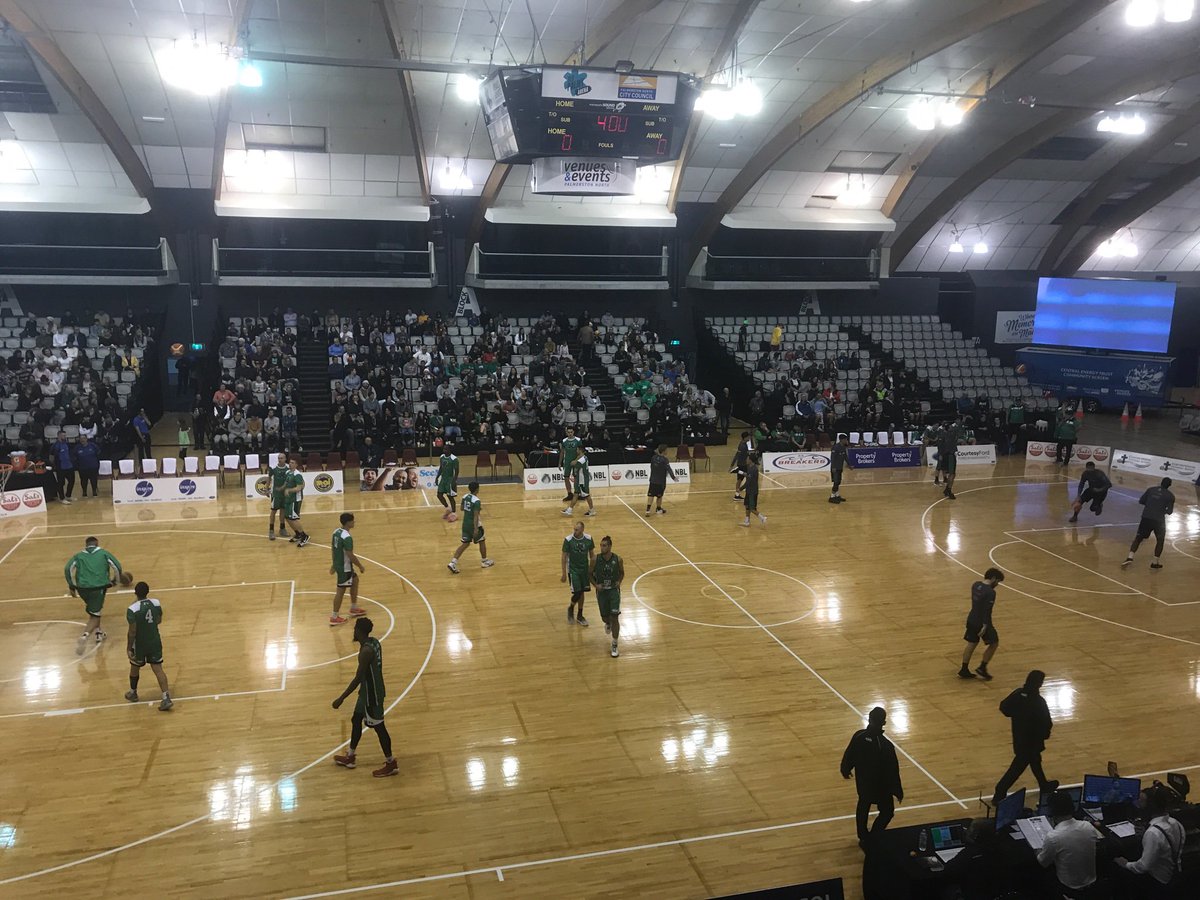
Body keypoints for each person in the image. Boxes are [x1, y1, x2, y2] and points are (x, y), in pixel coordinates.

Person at [331, 617, 398, 778]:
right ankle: (350, 757)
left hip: (373, 694)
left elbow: (357, 678)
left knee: (379, 728)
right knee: (356, 720)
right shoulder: (374, 642)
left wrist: (341, 698)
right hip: (367, 690)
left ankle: (391, 763)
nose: (353, 631)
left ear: (359, 631)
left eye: (355, 629)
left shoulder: (366, 652)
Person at [992, 669, 1059, 804]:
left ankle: (1043, 784)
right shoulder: (1038, 701)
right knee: (1018, 768)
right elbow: (1047, 722)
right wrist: (1045, 734)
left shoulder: (1017, 694)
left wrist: (1016, 716)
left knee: (1035, 761)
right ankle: (999, 791)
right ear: (1039, 684)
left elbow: (1004, 707)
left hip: (1019, 738)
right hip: (1033, 741)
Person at [840, 707, 903, 848]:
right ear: (884, 722)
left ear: (869, 718)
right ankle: (874, 836)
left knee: (863, 806)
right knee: (887, 812)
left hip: (863, 783)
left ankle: (863, 836)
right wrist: (897, 790)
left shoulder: (859, 736)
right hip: (881, 787)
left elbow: (849, 754)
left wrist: (845, 768)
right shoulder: (885, 745)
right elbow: (893, 770)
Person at [1115, 785, 1185, 897]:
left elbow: (1143, 867)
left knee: (1120, 873)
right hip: (1174, 875)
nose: (1139, 806)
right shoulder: (1176, 823)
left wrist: (1126, 864)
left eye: (1142, 802)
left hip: (1158, 882)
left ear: (1150, 807)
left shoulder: (1152, 833)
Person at [65, 536, 124, 655]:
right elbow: (117, 566)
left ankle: (98, 633)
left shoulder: (78, 556)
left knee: (94, 610)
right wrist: (115, 581)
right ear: (97, 544)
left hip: (82, 589)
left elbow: (67, 569)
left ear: (86, 545)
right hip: (98, 588)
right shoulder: (103, 553)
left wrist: (72, 586)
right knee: (95, 615)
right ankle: (85, 636)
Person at [1036, 790, 1100, 897]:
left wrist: (1036, 849)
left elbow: (1043, 862)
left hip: (1068, 889)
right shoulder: (1088, 826)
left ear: (1051, 812)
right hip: (1092, 884)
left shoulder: (1053, 837)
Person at [123, 581, 173, 711]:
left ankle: (133, 692)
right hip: (154, 641)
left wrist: (129, 647)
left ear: (135, 593)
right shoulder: (156, 603)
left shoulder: (132, 609)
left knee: (135, 666)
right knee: (158, 669)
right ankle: (166, 697)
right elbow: (159, 620)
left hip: (140, 644)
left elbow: (132, 631)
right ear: (147, 592)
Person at [958, 568, 1005, 680]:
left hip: (971, 618)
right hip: (982, 622)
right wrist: (985, 625)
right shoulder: (990, 592)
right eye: (997, 581)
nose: (997, 584)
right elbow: (987, 610)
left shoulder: (975, 585)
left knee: (972, 643)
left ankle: (964, 669)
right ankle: (982, 667)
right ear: (993, 578)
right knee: (994, 643)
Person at [1122, 477, 1175, 570]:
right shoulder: (1170, 496)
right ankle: (1155, 562)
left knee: (1138, 538)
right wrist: (1161, 509)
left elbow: (1141, 501)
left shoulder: (1151, 490)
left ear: (1160, 482)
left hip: (1146, 517)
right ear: (1169, 485)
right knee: (1160, 540)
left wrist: (1151, 505)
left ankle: (1130, 557)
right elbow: (1170, 511)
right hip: (1159, 520)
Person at [448, 481, 494, 573]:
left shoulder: (465, 497)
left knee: (465, 543)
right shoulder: (476, 501)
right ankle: (484, 561)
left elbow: (461, 508)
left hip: (465, 524)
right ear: (477, 489)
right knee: (482, 541)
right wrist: (476, 528)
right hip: (473, 525)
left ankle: (453, 562)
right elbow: (476, 516)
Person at [330, 512, 366, 626]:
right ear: (348, 523)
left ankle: (354, 608)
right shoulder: (347, 537)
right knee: (340, 591)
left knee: (355, 581)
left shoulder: (336, 532)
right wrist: (360, 566)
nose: (354, 522)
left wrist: (334, 564)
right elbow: (350, 555)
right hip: (345, 568)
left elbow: (333, 549)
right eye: (353, 521)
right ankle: (334, 616)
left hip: (341, 565)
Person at [591, 535, 625, 658]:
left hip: (613, 592)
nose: (601, 547)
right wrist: (595, 585)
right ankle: (608, 623)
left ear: (610, 546)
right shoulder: (595, 559)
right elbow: (589, 574)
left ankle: (615, 643)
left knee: (615, 617)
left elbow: (622, 573)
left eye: (604, 545)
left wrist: (619, 582)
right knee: (606, 618)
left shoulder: (618, 559)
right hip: (602, 592)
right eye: (601, 545)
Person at [561, 521, 595, 626]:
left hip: (584, 570)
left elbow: (592, 555)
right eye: (574, 529)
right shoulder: (568, 540)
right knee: (578, 592)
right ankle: (571, 608)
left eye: (577, 530)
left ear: (582, 530)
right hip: (573, 570)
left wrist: (592, 569)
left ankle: (580, 615)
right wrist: (563, 573)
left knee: (582, 592)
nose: (574, 531)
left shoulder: (589, 539)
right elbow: (564, 557)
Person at [283, 458, 310, 547]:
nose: (290, 464)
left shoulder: (297, 475)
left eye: (292, 463)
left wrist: (289, 490)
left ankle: (304, 536)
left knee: (294, 518)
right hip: (288, 499)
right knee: (287, 517)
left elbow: (299, 487)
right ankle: (297, 533)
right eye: (290, 462)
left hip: (295, 500)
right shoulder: (287, 473)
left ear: (296, 465)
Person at [645, 443, 678, 515]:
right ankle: (658, 509)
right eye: (666, 450)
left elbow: (651, 467)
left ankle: (648, 510)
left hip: (653, 480)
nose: (667, 451)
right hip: (661, 481)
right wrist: (673, 477)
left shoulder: (653, 458)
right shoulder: (665, 460)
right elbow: (669, 469)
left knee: (651, 495)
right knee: (659, 496)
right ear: (664, 451)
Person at [562, 451, 596, 517]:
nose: (576, 451)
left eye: (577, 449)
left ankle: (592, 510)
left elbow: (573, 463)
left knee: (586, 495)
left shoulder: (583, 459)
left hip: (582, 481)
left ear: (580, 450)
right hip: (579, 480)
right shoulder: (581, 458)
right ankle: (569, 510)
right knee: (576, 494)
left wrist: (573, 461)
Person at [267, 455, 291, 541]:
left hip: (284, 493)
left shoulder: (288, 467)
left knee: (283, 510)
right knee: (273, 511)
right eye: (279, 458)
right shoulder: (273, 468)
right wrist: (267, 489)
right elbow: (269, 478)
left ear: (285, 459)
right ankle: (271, 530)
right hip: (275, 493)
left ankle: (282, 528)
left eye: (282, 458)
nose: (280, 459)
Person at [740, 451, 766, 527]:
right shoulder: (750, 468)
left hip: (752, 491)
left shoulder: (753, 469)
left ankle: (762, 518)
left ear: (750, 460)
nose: (746, 460)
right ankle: (747, 521)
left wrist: (740, 489)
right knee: (747, 506)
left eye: (747, 459)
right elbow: (748, 476)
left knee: (752, 508)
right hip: (749, 491)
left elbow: (748, 481)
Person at [50, 429, 76, 504]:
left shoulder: (67, 444)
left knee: (72, 481)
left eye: (65, 435)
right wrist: (54, 465)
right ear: (58, 436)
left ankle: (68, 495)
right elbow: (51, 457)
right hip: (61, 467)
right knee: (61, 483)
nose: (65, 436)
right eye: (63, 435)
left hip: (69, 466)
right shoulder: (55, 446)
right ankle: (62, 498)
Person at [559, 426, 582, 503]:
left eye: (571, 432)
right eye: (568, 432)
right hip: (567, 462)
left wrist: (576, 460)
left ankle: (577, 493)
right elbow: (562, 452)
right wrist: (559, 463)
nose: (570, 434)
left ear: (573, 432)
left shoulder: (578, 440)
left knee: (576, 478)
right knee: (566, 477)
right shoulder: (564, 441)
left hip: (576, 462)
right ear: (566, 433)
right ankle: (569, 494)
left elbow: (581, 452)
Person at [936, 422, 959, 500]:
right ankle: (948, 490)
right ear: (949, 428)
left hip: (945, 456)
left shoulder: (941, 435)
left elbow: (939, 446)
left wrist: (940, 455)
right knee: (952, 474)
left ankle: (947, 489)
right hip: (950, 456)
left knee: (949, 473)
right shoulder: (951, 435)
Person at [435, 447, 459, 521]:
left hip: (450, 479)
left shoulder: (454, 459)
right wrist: (437, 477)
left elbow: (457, 471)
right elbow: (441, 468)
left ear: (449, 450)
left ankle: (454, 513)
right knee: (439, 495)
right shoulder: (442, 457)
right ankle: (448, 508)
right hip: (443, 479)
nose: (444, 450)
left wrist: (454, 481)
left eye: (446, 449)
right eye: (443, 449)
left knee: (450, 497)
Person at [75, 434, 101, 498]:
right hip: (82, 468)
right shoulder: (77, 447)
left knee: (94, 480)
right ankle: (84, 492)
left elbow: (98, 453)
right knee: (83, 481)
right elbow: (75, 457)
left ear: (86, 439)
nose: (82, 440)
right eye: (81, 438)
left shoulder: (93, 445)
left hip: (93, 467)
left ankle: (94, 492)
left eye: (83, 438)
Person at [829, 433, 851, 504]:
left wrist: (849, 465)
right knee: (836, 482)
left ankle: (837, 495)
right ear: (842, 440)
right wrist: (833, 467)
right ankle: (832, 497)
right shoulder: (836, 447)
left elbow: (845, 457)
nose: (846, 441)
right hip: (835, 468)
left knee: (838, 481)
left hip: (840, 467)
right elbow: (833, 458)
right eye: (845, 439)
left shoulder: (843, 447)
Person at [731, 431, 752, 500]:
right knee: (748, 477)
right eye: (748, 436)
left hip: (742, 464)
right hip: (743, 464)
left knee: (740, 479)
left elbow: (739, 454)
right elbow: (739, 455)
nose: (749, 437)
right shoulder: (742, 446)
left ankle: (737, 495)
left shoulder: (743, 444)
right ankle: (739, 491)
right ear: (745, 437)